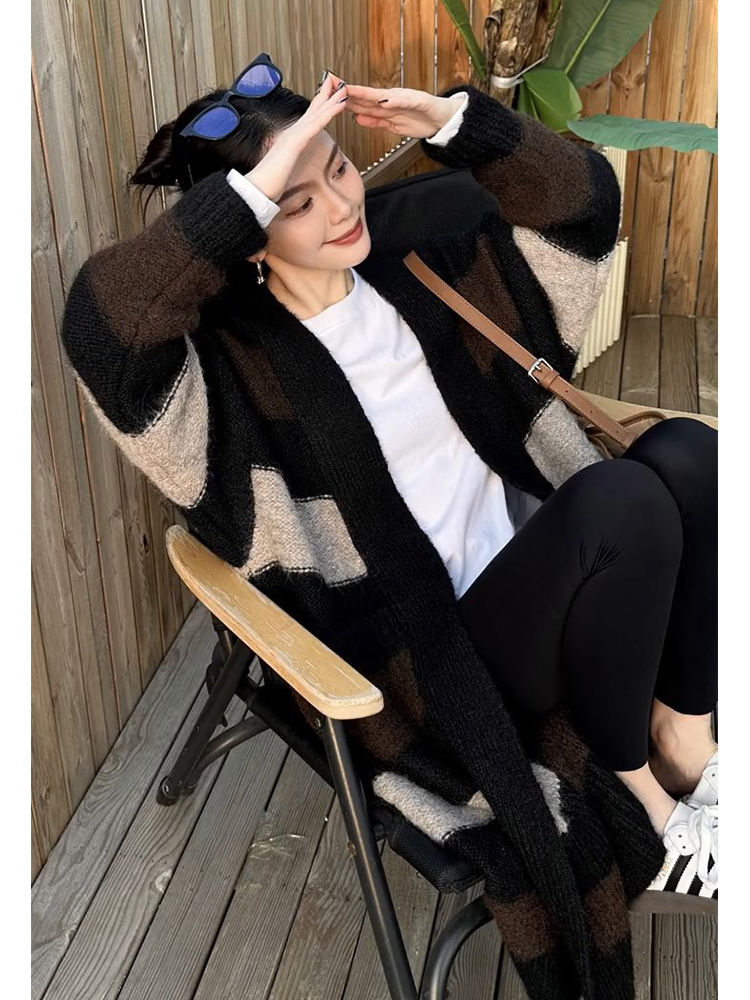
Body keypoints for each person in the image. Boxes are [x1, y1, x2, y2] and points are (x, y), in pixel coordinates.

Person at [60, 55, 716, 997]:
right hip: (447, 657)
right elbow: (101, 331)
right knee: (624, 504)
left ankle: (688, 744)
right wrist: (250, 188)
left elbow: (586, 209)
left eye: (338, 166)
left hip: (549, 572)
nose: (339, 204)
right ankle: (648, 799)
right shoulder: (225, 388)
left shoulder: (426, 274)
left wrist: (457, 124)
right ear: (247, 231)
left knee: (689, 454)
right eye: (296, 201)